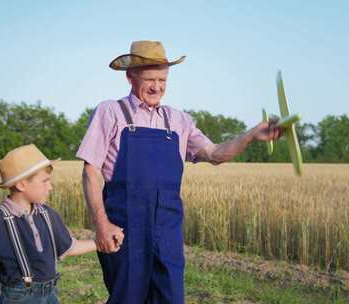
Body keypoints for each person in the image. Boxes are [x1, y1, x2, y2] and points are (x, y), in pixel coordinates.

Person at [77, 40, 282, 303]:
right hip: (125, 228)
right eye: (149, 79)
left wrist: (251, 135)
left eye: (162, 79)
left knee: (170, 297)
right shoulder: (111, 112)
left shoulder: (178, 120)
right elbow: (90, 171)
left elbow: (215, 154)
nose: (156, 87)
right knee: (127, 297)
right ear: (130, 76)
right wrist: (101, 224)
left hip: (167, 229)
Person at [0, 144, 97, 303]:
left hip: (51, 294)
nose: (51, 187)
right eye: (45, 181)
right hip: (19, 298)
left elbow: (70, 247)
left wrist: (99, 243)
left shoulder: (48, 214)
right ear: (21, 185)